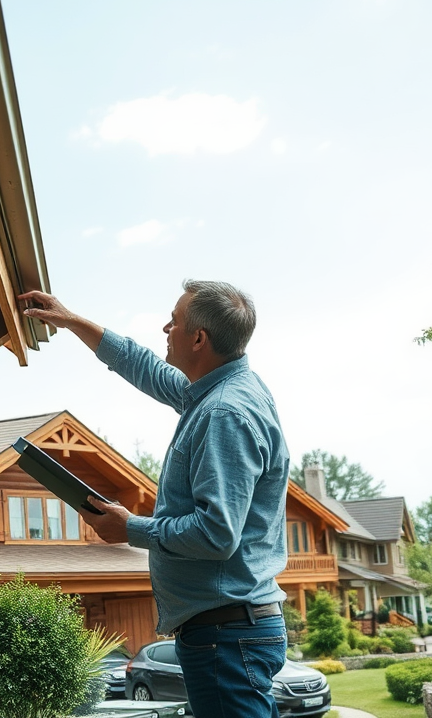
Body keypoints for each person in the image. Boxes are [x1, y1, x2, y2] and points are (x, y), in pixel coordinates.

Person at [19, 281, 290, 718]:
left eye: (175, 321)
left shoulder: (224, 413)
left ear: (198, 338)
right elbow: (142, 365)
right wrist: (70, 320)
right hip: (227, 630)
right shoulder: (216, 390)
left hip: (225, 633)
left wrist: (129, 528)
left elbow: (216, 534)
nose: (166, 328)